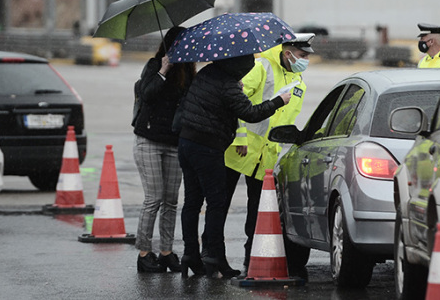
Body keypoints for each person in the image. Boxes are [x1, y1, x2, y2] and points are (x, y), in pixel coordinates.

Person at [176, 53, 291, 278]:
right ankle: (216, 257)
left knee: (191, 202)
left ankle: (190, 254)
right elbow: (250, 113)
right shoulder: (228, 85)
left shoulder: (207, 72)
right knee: (216, 203)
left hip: (186, 143)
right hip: (207, 148)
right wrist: (279, 101)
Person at [223, 33, 315, 272]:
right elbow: (235, 101)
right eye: (303, 55)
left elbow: (286, 121)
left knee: (257, 209)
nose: (306, 60)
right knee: (219, 204)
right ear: (288, 53)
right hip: (240, 149)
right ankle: (212, 255)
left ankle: (250, 256)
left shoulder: (299, 82)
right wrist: (240, 136)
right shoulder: (262, 65)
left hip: (267, 157)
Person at [133, 26, 195, 273]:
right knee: (153, 198)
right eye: (180, 44)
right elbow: (147, 94)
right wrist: (163, 69)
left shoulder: (189, 72)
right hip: (148, 140)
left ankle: (166, 252)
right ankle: (144, 253)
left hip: (174, 142)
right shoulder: (154, 65)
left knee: (171, 200)